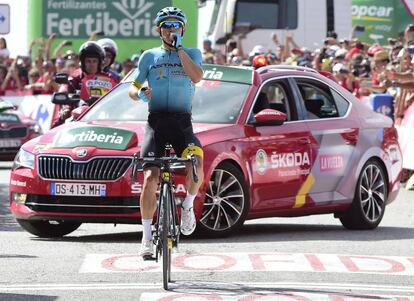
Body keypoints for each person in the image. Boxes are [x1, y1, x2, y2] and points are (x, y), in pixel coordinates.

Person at [128, 6, 204, 258]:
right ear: (159, 30)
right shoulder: (149, 56)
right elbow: (133, 87)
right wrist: (140, 93)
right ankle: (147, 237)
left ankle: (189, 207)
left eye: (176, 26)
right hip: (156, 121)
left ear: (182, 29)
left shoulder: (192, 53)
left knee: (196, 162)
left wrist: (180, 49)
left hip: (182, 122)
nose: (172, 30)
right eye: (167, 26)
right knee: (150, 177)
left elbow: (196, 77)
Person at [51, 41, 117, 127]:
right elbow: (65, 88)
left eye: (94, 61)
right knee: (58, 125)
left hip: (104, 115)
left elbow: (117, 94)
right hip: (78, 116)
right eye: (88, 61)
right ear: (82, 62)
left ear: (99, 63)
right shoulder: (76, 76)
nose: (91, 64)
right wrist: (66, 108)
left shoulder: (108, 78)